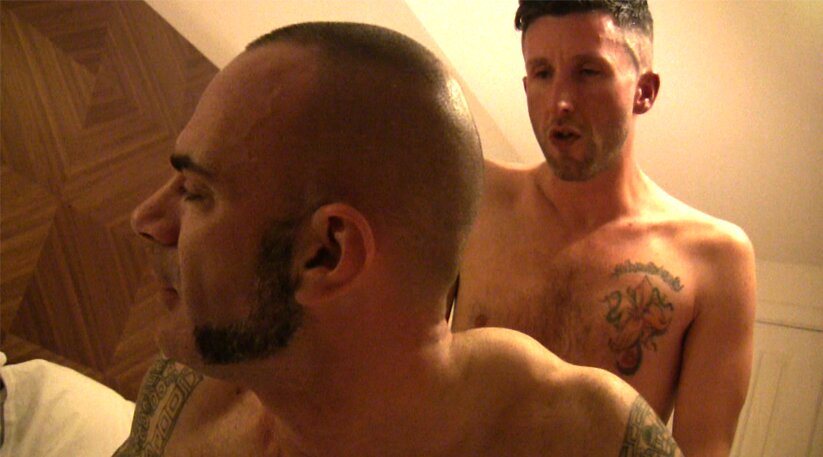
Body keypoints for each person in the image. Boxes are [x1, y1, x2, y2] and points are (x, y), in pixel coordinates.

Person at [116, 22, 681, 457]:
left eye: (196, 192)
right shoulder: (189, 393)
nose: (146, 218)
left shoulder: (582, 438)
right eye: (542, 72)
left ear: (327, 253)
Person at [450, 1, 756, 456]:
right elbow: (405, 377)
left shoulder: (713, 260)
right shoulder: (475, 197)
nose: (560, 102)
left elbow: (702, 450)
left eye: (588, 72)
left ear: (644, 91)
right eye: (542, 73)